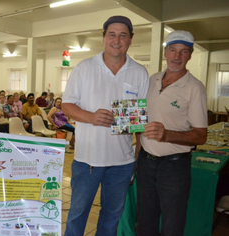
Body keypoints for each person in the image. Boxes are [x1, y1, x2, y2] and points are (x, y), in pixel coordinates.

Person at [61, 16, 149, 236]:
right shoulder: (85, 68)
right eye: (112, 34)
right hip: (87, 160)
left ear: (130, 40)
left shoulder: (139, 72)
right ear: (103, 38)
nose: (116, 40)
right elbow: (67, 105)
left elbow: (138, 122)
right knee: (78, 214)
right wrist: (91, 117)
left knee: (111, 218)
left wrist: (137, 155)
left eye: (122, 35)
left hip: (122, 162)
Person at [136, 30, 207, 236]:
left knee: (172, 225)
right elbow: (141, 123)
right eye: (173, 50)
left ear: (190, 55)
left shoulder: (195, 88)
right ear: (165, 52)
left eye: (184, 52)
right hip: (146, 163)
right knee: (145, 222)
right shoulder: (152, 80)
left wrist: (167, 134)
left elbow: (201, 136)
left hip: (174, 167)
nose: (177, 57)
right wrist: (137, 156)